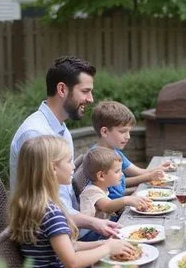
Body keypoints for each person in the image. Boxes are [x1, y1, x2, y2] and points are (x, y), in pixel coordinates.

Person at [8, 136, 135, 268]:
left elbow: (71, 246)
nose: (74, 166)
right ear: (52, 168)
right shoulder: (51, 213)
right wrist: (107, 248)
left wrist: (106, 244)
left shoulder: (31, 204)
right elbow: (72, 262)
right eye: (68, 161)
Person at [9, 56, 119, 240]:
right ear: (62, 89)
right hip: (55, 237)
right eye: (85, 91)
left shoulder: (60, 128)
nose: (90, 99)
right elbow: (47, 210)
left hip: (71, 225)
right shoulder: (36, 134)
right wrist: (93, 223)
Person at [90, 100, 169, 199]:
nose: (128, 137)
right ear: (105, 131)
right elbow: (107, 201)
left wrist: (159, 168)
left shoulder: (115, 151)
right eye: (123, 131)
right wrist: (147, 179)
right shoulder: (96, 159)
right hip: (114, 211)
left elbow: (136, 173)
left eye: (129, 131)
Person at [79, 146, 153, 220]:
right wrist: (126, 200)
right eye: (117, 171)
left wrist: (134, 197)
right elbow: (107, 207)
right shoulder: (91, 191)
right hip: (92, 231)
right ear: (101, 176)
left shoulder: (102, 188)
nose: (122, 174)